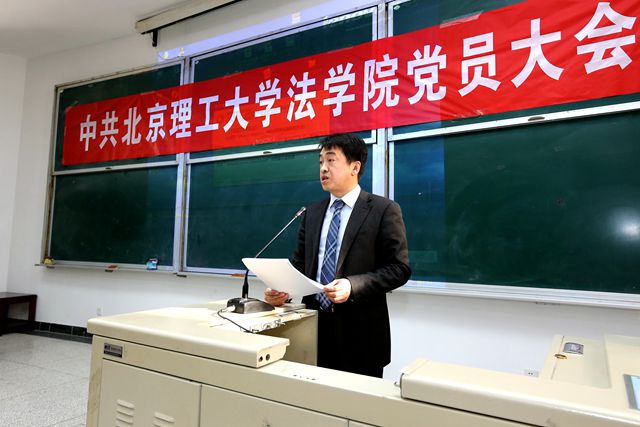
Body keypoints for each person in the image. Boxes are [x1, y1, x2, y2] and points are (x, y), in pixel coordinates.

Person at [265, 133, 411, 378]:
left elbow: (399, 268)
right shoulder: (312, 213)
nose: (323, 168)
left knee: (356, 401)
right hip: (312, 329)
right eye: (321, 161)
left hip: (361, 335)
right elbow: (301, 265)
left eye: (331, 160)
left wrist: (352, 286)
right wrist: (283, 289)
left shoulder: (383, 210)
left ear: (355, 167)